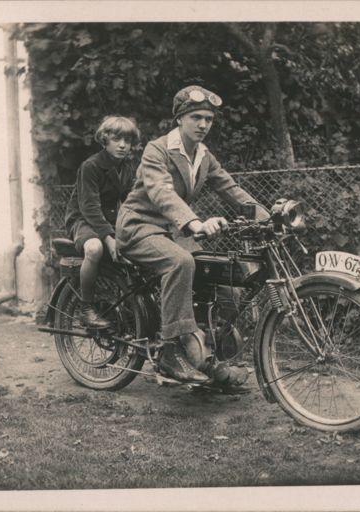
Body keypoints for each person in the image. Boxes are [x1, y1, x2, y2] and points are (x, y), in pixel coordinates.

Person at [115, 85, 270, 383]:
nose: (202, 125)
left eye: (208, 119)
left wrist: (271, 218)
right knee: (181, 263)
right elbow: (161, 192)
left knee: (222, 275)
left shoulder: (204, 156)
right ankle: (170, 352)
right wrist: (194, 223)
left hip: (171, 231)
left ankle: (208, 353)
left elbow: (232, 190)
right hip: (139, 226)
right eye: (196, 117)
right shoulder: (157, 149)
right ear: (180, 119)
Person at [64, 116, 140, 328]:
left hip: (109, 219)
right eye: (117, 139)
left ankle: (131, 310)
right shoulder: (91, 166)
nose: (123, 145)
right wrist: (108, 238)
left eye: (127, 140)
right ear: (105, 139)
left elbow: (131, 199)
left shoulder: (127, 166)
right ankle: (85, 309)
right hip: (83, 219)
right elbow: (89, 207)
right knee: (95, 249)